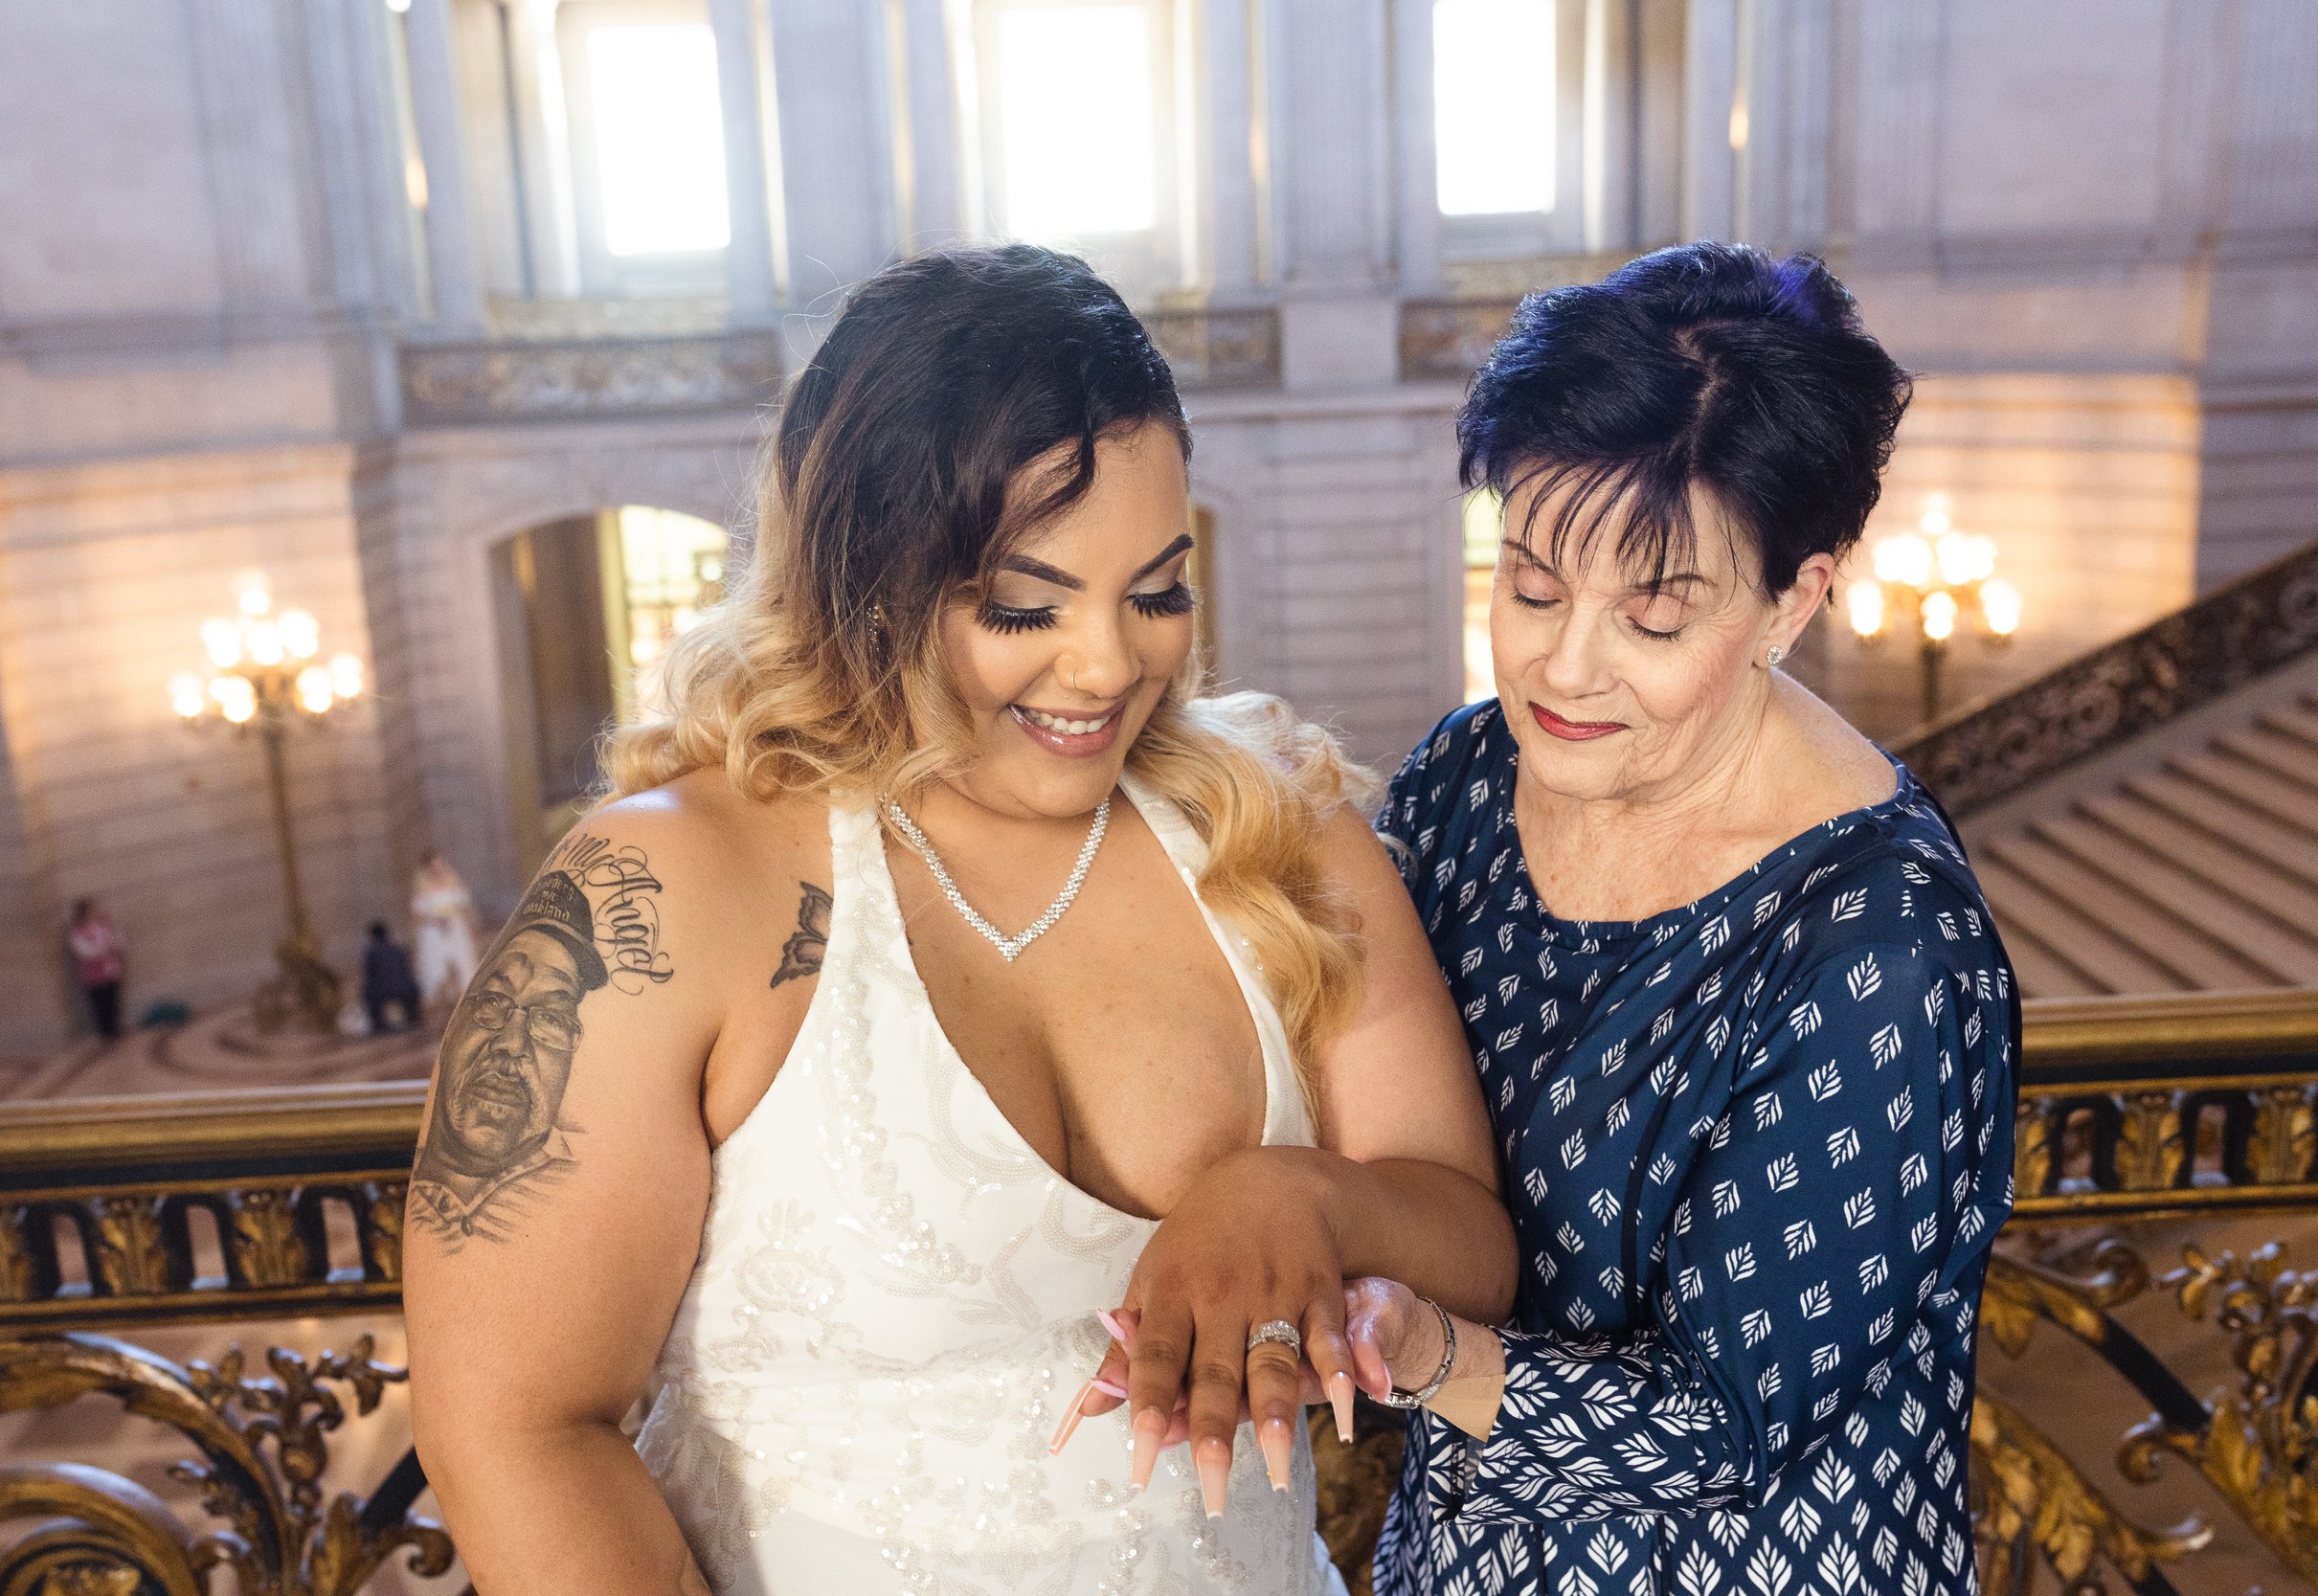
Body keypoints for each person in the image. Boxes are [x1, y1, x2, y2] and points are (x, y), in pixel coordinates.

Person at [403, 244, 1517, 1595]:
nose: (1109, 664)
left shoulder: (1283, 832)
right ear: (861, 581)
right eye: (1021, 605)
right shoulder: (665, 889)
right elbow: (513, 1421)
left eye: (1157, 590)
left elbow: (1467, 1238)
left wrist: (1292, 1191)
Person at [1329, 245, 2019, 1596]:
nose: (1561, 665)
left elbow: (1726, 1420)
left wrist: (1419, 1352)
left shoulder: (1882, 948)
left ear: (1794, 600)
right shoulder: (1470, 774)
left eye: (1654, 616)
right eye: (1529, 584)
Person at [410, 848, 481, 1008]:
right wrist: (435, 919)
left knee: (463, 962)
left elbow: (465, 905)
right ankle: (442, 999)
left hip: (456, 927)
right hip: (434, 931)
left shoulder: (453, 880)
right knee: (438, 966)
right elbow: (418, 912)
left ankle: (464, 998)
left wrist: (472, 925)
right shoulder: (422, 886)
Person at [67, 898, 126, 1041]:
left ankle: (114, 1027)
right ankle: (105, 1032)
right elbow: (83, 951)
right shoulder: (78, 931)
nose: (96, 911)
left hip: (111, 969)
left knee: (113, 999)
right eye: (92, 909)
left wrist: (115, 945)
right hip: (94, 974)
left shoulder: (105, 923)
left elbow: (118, 938)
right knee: (100, 1003)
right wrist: (103, 949)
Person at [360, 920, 423, 1035]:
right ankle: (413, 1016)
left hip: (385, 991)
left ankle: (378, 1025)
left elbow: (370, 976)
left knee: (368, 993)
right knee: (406, 986)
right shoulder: (399, 948)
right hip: (409, 989)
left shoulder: (371, 952)